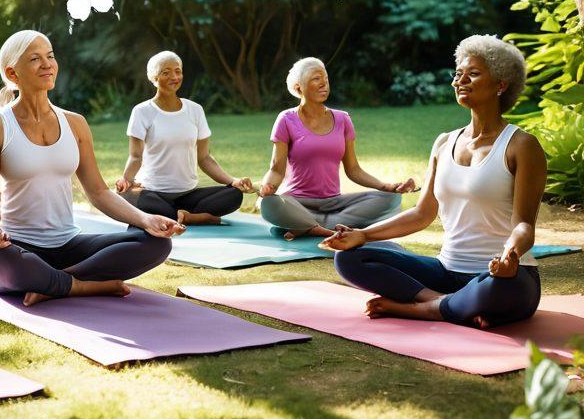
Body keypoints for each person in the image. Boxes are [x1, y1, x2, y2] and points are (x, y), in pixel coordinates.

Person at [322, 36, 545, 328]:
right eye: (458, 74)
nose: (460, 81)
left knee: (500, 289)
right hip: (446, 270)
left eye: (473, 74)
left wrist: (510, 253)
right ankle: (439, 301)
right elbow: (422, 214)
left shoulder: (521, 145)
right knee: (349, 259)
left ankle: (421, 309)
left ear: (501, 85)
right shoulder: (444, 143)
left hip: (501, 276)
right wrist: (362, 235)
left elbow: (524, 225)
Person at [0, 30, 183, 307]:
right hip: (16, 246)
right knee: (1, 261)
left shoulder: (75, 123)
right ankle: (82, 286)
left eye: (50, 56)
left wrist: (145, 219)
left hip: (69, 246)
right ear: (13, 74)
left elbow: (98, 191)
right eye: (35, 59)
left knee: (156, 243)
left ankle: (57, 283)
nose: (47, 64)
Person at [259, 57, 416, 239]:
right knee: (270, 204)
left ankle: (306, 225)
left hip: (334, 203)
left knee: (390, 199)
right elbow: (276, 169)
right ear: (298, 87)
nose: (323, 83)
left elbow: (354, 169)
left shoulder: (343, 119)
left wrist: (387, 186)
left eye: (325, 78)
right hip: (297, 202)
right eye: (316, 78)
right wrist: (268, 187)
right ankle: (317, 225)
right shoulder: (286, 119)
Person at [116, 51, 254, 225]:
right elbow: (136, 156)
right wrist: (126, 181)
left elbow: (204, 158)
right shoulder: (142, 111)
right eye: (166, 72)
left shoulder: (195, 110)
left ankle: (182, 217)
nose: (174, 77)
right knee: (128, 197)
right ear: (154, 77)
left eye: (178, 71)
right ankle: (197, 217)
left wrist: (233, 181)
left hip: (188, 194)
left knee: (233, 195)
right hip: (152, 192)